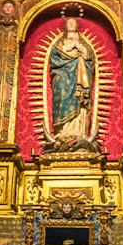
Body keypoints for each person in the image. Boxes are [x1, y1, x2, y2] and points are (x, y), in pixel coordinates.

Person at [46, 17, 96, 151]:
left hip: (80, 76)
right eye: (69, 23)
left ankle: (79, 132)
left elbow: (89, 59)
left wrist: (81, 49)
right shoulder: (59, 43)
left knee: (79, 101)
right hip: (62, 79)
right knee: (63, 96)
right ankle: (62, 132)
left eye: (74, 22)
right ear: (65, 27)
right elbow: (54, 59)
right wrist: (70, 47)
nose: (72, 24)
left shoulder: (83, 42)